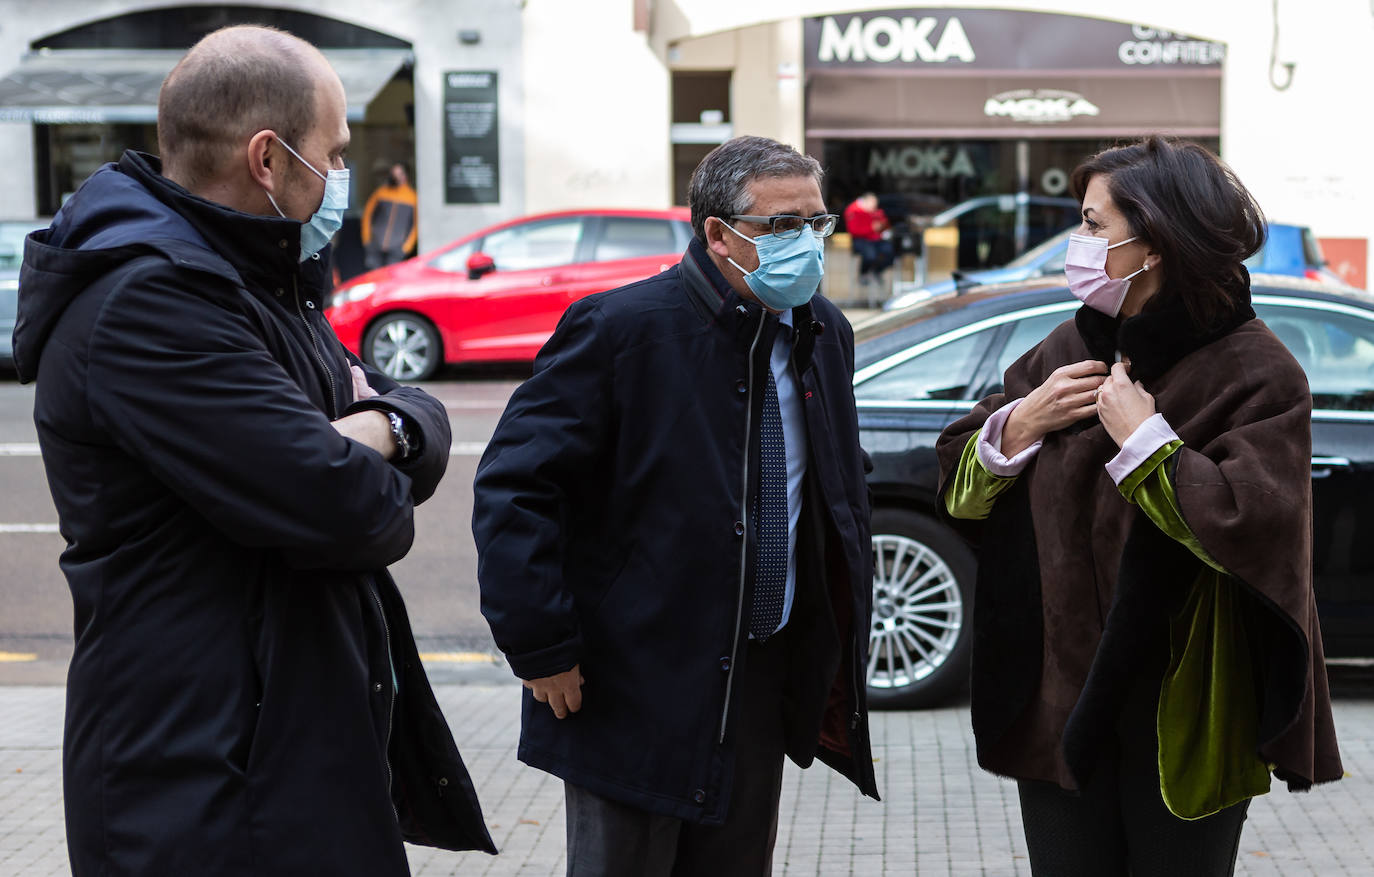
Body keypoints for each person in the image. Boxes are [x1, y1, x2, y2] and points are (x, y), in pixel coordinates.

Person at [11, 25, 494, 875]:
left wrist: (384, 424)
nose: (341, 175)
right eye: (334, 154)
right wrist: (362, 438)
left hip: (288, 757)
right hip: (201, 785)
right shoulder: (150, 304)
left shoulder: (258, 283)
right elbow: (353, 509)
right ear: (268, 160)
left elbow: (412, 413)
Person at [935, 136, 1343, 876]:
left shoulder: (1256, 369)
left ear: (1154, 242)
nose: (1077, 243)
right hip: (1057, 703)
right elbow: (962, 486)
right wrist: (1020, 423)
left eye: (1094, 225)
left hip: (1181, 713)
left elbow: (1254, 525)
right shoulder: (1070, 344)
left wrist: (1148, 442)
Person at [472, 135, 879, 875]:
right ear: (718, 234)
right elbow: (515, 486)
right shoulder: (622, 329)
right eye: (781, 227)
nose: (808, 245)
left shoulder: (826, 333)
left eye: (818, 224)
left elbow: (835, 483)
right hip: (631, 684)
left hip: (758, 675)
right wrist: (539, 646)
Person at [363, 162, 419, 269]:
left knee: (391, 279)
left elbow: (415, 225)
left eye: (398, 174)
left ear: (405, 176)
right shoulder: (381, 193)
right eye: (393, 174)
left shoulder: (412, 197)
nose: (394, 177)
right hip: (375, 244)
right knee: (373, 278)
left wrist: (406, 247)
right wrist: (367, 239)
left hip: (397, 247)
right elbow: (367, 216)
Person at [843, 191, 893, 286]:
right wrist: (871, 228)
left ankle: (877, 271)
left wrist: (881, 225)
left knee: (889, 252)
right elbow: (854, 230)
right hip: (861, 240)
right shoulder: (853, 210)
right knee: (870, 255)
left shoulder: (874, 211)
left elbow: (884, 223)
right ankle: (864, 273)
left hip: (875, 239)